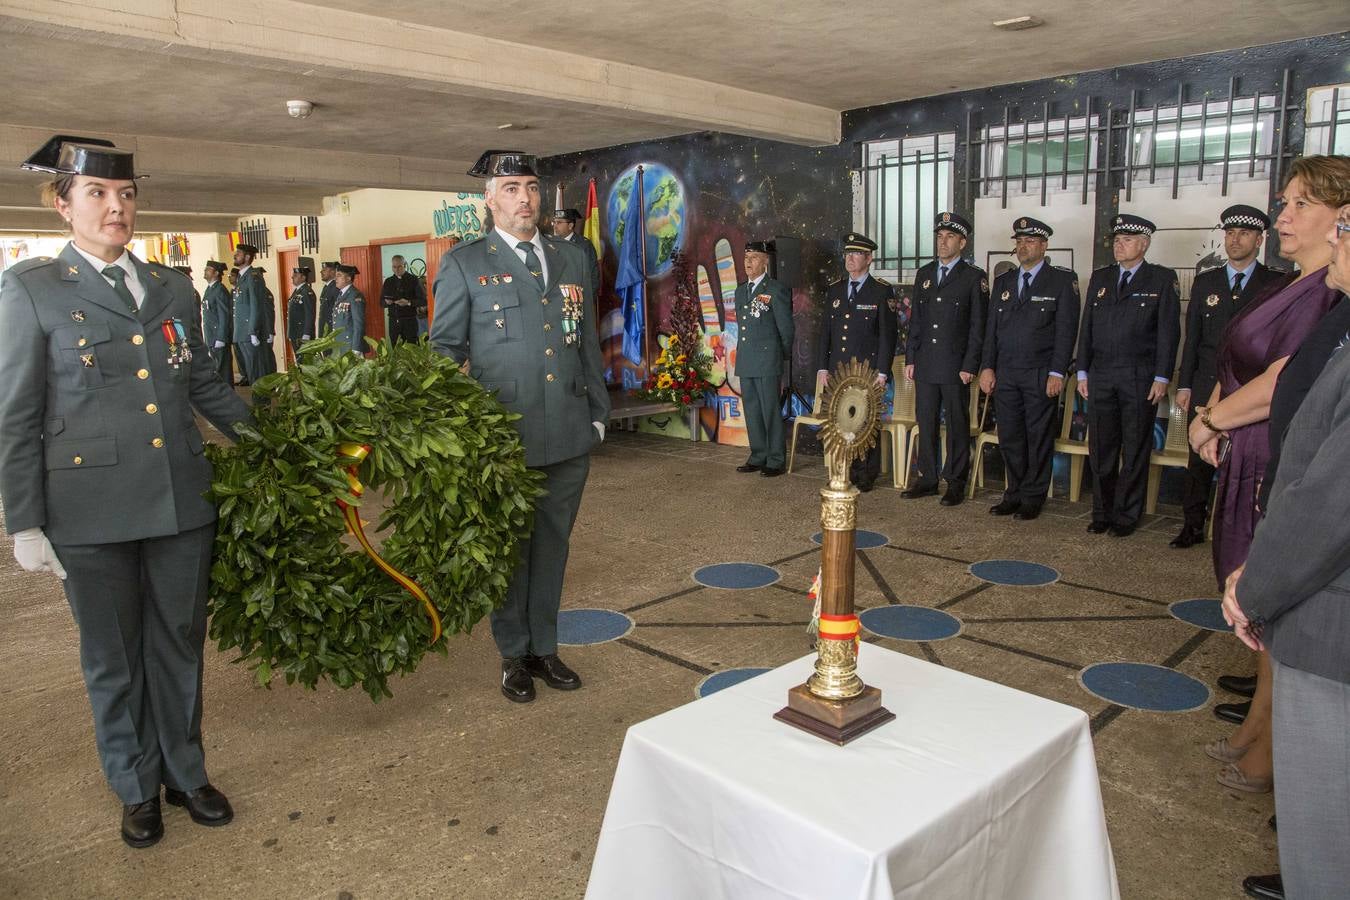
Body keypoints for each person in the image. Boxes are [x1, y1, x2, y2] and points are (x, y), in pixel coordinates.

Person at [0, 135, 253, 849]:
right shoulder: (31, 290)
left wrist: (279, 445)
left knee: (178, 643)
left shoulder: (172, 287)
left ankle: (184, 771)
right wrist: (24, 521)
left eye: (127, 193)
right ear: (63, 206)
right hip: (88, 515)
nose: (117, 207)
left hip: (179, 501)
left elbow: (204, 384)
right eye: (98, 194)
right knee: (113, 657)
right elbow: (15, 412)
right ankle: (135, 786)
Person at [1190, 156, 1344, 800]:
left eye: (1298, 204)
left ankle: (1273, 741)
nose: (1283, 216)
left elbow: (1285, 377)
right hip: (1252, 445)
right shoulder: (1294, 282)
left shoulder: (1329, 294)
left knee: (1272, 589)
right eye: (1284, 203)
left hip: (1267, 444)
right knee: (1252, 587)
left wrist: (1210, 419)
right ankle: (1262, 723)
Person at [431, 150, 609, 703]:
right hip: (503, 439)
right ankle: (513, 654)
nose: (524, 198)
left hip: (569, 433)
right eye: (510, 188)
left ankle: (544, 648)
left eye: (531, 186)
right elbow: (442, 353)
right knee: (508, 551)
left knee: (553, 549)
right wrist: (456, 431)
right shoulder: (464, 263)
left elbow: (584, 343)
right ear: (489, 199)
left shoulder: (572, 258)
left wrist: (599, 416)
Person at [1223, 197, 1350, 900]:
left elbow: (1334, 501)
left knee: (1326, 830)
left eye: (1346, 224)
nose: (1335, 234)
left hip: (1332, 619)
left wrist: (1255, 586)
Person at [1171, 205, 1284, 549]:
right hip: (1206, 383)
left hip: (1250, 387)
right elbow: (1192, 340)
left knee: (1245, 459)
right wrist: (1185, 384)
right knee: (1198, 459)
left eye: (1244, 234)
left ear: (1260, 240)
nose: (1235, 240)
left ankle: (1241, 530)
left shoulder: (1275, 284)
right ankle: (1192, 525)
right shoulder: (1207, 282)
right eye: (1231, 233)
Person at [1076, 214, 1181, 537]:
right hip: (1102, 374)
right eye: (1117, 240)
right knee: (1102, 449)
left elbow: (1169, 332)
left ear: (1145, 244)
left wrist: (1162, 376)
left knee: (1134, 449)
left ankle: (1126, 516)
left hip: (1139, 375)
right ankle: (1102, 512)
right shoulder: (1101, 277)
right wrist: (1082, 370)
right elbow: (1088, 329)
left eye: (1128, 240)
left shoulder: (1160, 279)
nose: (1120, 246)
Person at [978, 217, 1080, 520]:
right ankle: (1014, 492)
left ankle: (1033, 496)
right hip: (1006, 372)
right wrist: (987, 367)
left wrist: (1057, 372)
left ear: (1044, 245)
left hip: (1040, 372)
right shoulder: (1005, 281)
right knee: (1010, 437)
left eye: (1030, 242)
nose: (1023, 247)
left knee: (1037, 437)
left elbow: (1066, 331)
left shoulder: (1061, 280)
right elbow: (991, 331)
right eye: (1019, 242)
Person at [904, 212, 988, 505]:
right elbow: (917, 320)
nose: (943, 242)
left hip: (955, 365)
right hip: (926, 361)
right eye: (939, 236)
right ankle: (927, 478)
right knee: (925, 421)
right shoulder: (925, 274)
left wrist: (970, 365)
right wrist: (911, 357)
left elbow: (978, 326)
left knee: (956, 424)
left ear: (962, 242)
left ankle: (955, 481)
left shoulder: (974, 277)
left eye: (949, 237)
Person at [816, 232, 897, 490]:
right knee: (841, 422)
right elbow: (825, 333)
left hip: (867, 371)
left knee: (865, 423)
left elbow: (888, 335)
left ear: (869, 258)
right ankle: (843, 471)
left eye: (856, 254)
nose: (850, 259)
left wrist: (883, 372)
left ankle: (865, 475)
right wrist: (822, 367)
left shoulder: (881, 291)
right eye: (847, 254)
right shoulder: (836, 290)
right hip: (839, 372)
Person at [733, 240, 794, 477]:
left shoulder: (776, 290)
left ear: (766, 261)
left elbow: (786, 329)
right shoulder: (741, 291)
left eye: (755, 257)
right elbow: (743, 328)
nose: (748, 262)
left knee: (770, 410)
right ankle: (758, 455)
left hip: (768, 360)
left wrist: (781, 356)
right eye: (746, 257)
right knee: (752, 411)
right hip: (747, 359)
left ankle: (776, 459)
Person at [230, 243, 268, 384]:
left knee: (256, 371)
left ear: (247, 257)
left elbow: (255, 305)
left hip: (249, 332)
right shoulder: (242, 277)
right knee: (251, 372)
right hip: (242, 332)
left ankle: (262, 405)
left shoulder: (253, 276)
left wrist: (253, 331)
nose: (235, 255)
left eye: (238, 254)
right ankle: (257, 404)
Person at [552, 207, 601, 298]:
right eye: (554, 222)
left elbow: (592, 277)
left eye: (559, 223)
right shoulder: (551, 244)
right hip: (557, 301)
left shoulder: (583, 245)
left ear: (570, 225)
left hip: (578, 300)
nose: (555, 226)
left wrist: (586, 301)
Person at [201, 259, 233, 384]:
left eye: (208, 270)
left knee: (223, 370)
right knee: (217, 369)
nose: (205, 271)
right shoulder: (210, 289)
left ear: (216, 273)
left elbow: (224, 315)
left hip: (218, 337)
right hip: (211, 336)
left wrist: (221, 337)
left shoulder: (219, 290)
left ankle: (227, 397)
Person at [380, 254, 424, 345]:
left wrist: (408, 302)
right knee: (394, 348)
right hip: (393, 321)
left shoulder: (413, 280)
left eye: (399, 267)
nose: (396, 269)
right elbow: (381, 303)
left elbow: (423, 300)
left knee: (412, 348)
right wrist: (387, 302)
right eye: (394, 267)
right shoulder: (388, 281)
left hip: (409, 321)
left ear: (405, 265)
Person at [331, 263, 366, 356]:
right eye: (336, 276)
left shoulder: (355, 295)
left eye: (339, 275)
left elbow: (359, 323)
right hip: (340, 344)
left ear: (348, 278)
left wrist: (356, 347)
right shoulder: (342, 294)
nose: (336, 279)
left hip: (350, 345)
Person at [285, 265, 316, 358]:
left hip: (302, 333)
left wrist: (306, 333)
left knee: (305, 362)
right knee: (299, 362)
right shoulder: (297, 291)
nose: (292, 277)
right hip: (295, 332)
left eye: (295, 275)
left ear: (303, 277)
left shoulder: (307, 292)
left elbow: (310, 314)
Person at [317, 260, 339, 340]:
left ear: (333, 272)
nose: (321, 272)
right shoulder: (327, 287)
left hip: (331, 331)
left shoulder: (335, 288)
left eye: (324, 270)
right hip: (325, 330)